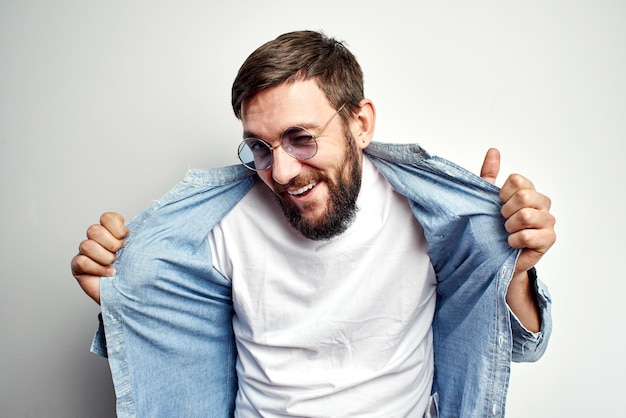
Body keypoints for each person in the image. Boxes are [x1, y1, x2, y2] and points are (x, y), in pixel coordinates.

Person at [72, 31, 555, 417]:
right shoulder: (217, 227)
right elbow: (174, 357)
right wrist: (123, 294)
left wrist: (505, 263)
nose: (280, 173)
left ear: (360, 124)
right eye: (259, 147)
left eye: (300, 138)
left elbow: (517, 347)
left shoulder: (431, 215)